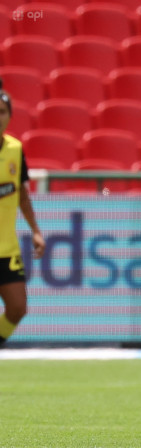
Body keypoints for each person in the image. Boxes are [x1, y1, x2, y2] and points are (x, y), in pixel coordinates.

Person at [0, 82, 45, 345]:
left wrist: (36, 231)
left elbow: (22, 195)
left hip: (7, 250)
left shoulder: (15, 149)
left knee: (17, 309)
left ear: (9, 115)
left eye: (2, 111)